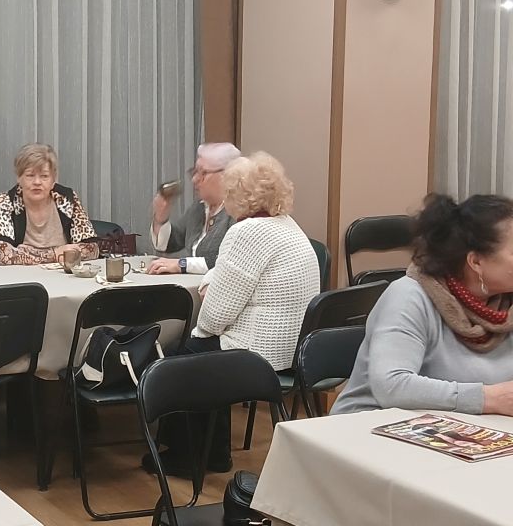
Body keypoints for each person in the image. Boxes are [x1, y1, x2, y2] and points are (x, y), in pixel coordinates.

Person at [145, 151, 319, 476]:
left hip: (257, 356)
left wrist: (207, 294)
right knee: (198, 350)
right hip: (294, 353)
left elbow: (212, 319)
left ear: (238, 196)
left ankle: (189, 456)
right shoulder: (287, 226)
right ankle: (214, 452)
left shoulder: (246, 232)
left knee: (179, 356)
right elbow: (231, 275)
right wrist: (213, 282)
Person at [332, 194, 513, 416]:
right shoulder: (410, 296)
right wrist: (487, 398)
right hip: (371, 423)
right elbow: (392, 386)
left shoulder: (506, 302)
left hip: (463, 425)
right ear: (475, 262)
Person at [0, 143, 98, 265]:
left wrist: (26, 253)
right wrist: (55, 254)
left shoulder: (66, 199)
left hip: (62, 273)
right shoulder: (4, 202)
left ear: (53, 179)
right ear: (19, 178)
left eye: (44, 176)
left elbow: (92, 249)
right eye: (30, 175)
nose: (37, 182)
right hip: (21, 274)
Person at [146, 142, 240, 276]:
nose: (194, 179)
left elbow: (229, 262)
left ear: (226, 175)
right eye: (194, 172)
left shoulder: (238, 211)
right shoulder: (199, 207)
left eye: (203, 173)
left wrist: (182, 264)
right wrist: (160, 218)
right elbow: (171, 243)